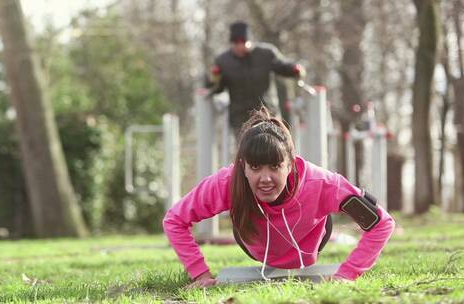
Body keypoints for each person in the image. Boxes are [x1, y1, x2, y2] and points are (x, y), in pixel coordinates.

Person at [162, 106, 395, 288]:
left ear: (290, 164)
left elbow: (381, 223)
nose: (265, 178)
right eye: (255, 168)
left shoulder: (322, 183)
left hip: (311, 238)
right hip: (253, 239)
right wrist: (200, 274)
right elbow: (174, 220)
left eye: (274, 167)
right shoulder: (227, 182)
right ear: (243, 166)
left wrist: (349, 273)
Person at [207, 21, 306, 138]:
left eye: (243, 42)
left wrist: (294, 69)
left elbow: (282, 66)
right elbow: (216, 88)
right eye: (236, 43)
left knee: (272, 148)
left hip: (268, 114)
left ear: (250, 41)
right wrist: (214, 78)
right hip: (241, 119)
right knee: (247, 153)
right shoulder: (223, 61)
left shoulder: (266, 54)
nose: (240, 46)